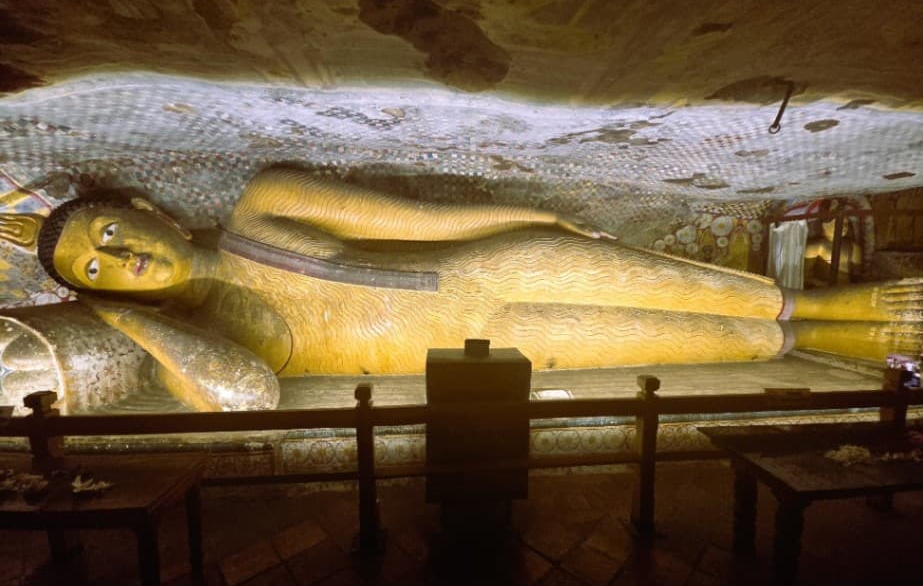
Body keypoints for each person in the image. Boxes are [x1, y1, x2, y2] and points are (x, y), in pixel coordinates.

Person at [1, 167, 921, 411]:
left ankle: (855, 311)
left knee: (740, 296)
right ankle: (852, 344)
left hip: (488, 272)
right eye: (98, 271)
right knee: (727, 342)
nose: (123, 261)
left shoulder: (263, 204)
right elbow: (247, 396)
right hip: (493, 346)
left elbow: (419, 220)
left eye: (114, 235)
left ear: (149, 207)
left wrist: (538, 219)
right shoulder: (199, 346)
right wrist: (117, 318)